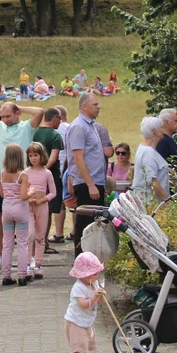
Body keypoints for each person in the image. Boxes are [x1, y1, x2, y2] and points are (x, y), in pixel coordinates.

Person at [0, 101, 45, 271]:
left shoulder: (26, 127)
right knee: (2, 221)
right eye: (3, 116)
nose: (5, 119)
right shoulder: (0, 126)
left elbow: (39, 111)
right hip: (4, 178)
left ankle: (29, 258)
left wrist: (20, 108)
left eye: (9, 116)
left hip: (23, 178)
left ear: (17, 113)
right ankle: (1, 257)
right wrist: (1, 110)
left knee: (27, 223)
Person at [66, 94, 110, 255]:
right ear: (84, 106)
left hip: (95, 182)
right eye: (95, 104)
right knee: (85, 223)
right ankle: (81, 259)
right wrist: (91, 184)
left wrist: (100, 184)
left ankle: (92, 258)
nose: (99, 107)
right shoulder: (79, 127)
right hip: (86, 184)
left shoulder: (91, 126)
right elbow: (78, 158)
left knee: (95, 224)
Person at [64, 252, 106, 353]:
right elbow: (82, 304)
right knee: (80, 343)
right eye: (94, 274)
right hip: (75, 321)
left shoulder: (94, 284)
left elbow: (101, 302)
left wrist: (102, 296)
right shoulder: (78, 287)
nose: (97, 276)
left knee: (87, 340)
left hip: (86, 320)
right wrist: (93, 298)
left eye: (98, 273)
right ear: (85, 275)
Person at [0, 144, 32, 286]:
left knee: (7, 243)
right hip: (20, 210)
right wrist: (33, 191)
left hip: (6, 209)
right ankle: (22, 275)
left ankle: (6, 275)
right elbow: (24, 196)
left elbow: (1, 194)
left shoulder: (2, 173)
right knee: (22, 243)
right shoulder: (23, 175)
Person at [32, 107, 65, 254]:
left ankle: (34, 242)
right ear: (54, 118)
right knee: (48, 210)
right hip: (50, 176)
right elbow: (54, 157)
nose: (61, 121)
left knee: (35, 210)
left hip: (33, 175)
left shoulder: (35, 132)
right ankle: (43, 243)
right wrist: (44, 171)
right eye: (60, 119)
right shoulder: (55, 135)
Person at [23, 141, 56, 278]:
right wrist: (28, 198)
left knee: (40, 236)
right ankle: (27, 264)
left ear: (42, 156)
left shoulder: (47, 173)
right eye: (30, 155)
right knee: (29, 234)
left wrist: (42, 200)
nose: (33, 158)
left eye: (36, 155)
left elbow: (53, 192)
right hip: (28, 207)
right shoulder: (25, 173)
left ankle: (38, 264)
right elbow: (22, 191)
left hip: (42, 207)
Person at [132, 117, 170, 203]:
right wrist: (168, 201)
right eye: (160, 128)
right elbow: (153, 181)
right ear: (154, 131)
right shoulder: (148, 152)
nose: (163, 131)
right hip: (150, 202)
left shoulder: (144, 148)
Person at [50, 105, 71, 243]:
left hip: (57, 167)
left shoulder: (53, 129)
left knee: (59, 203)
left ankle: (58, 233)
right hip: (70, 167)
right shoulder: (70, 128)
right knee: (72, 202)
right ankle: (75, 231)